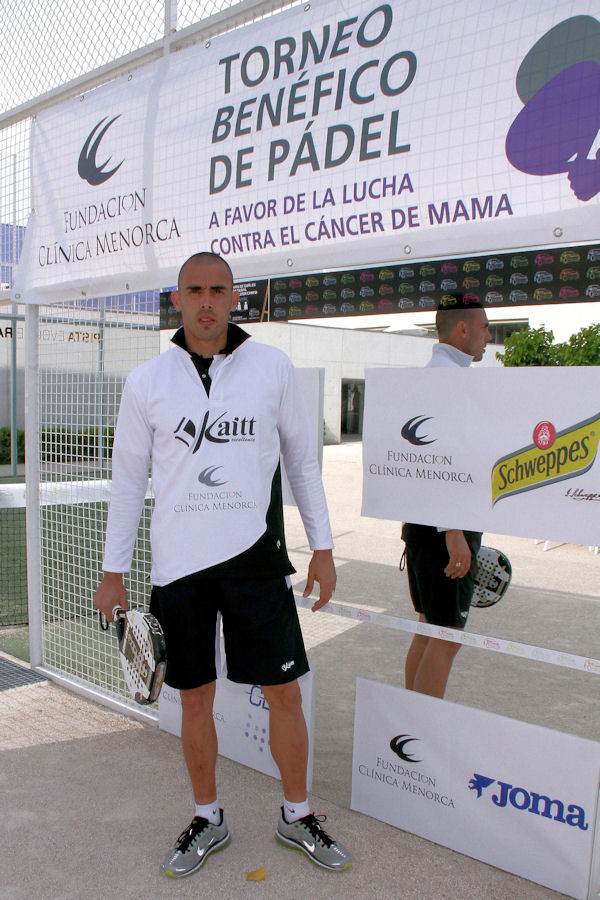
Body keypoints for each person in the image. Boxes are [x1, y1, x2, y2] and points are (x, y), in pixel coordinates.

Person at [94, 251, 351, 877]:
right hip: (178, 570)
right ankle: (208, 816)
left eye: (218, 289)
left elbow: (303, 462)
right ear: (176, 299)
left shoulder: (272, 367)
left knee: (285, 694)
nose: (206, 301)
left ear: (235, 297)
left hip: (256, 561)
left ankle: (297, 815)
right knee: (194, 700)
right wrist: (113, 571)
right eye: (193, 290)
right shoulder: (146, 382)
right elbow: (127, 481)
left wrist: (323, 547)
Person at [402, 299, 492, 699]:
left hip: (426, 525)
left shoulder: (433, 376)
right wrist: (453, 530)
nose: (489, 336)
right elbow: (437, 462)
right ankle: (422, 732)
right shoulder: (448, 382)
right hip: (444, 528)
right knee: (446, 636)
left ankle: (412, 722)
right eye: (485, 328)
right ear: (462, 330)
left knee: (428, 628)